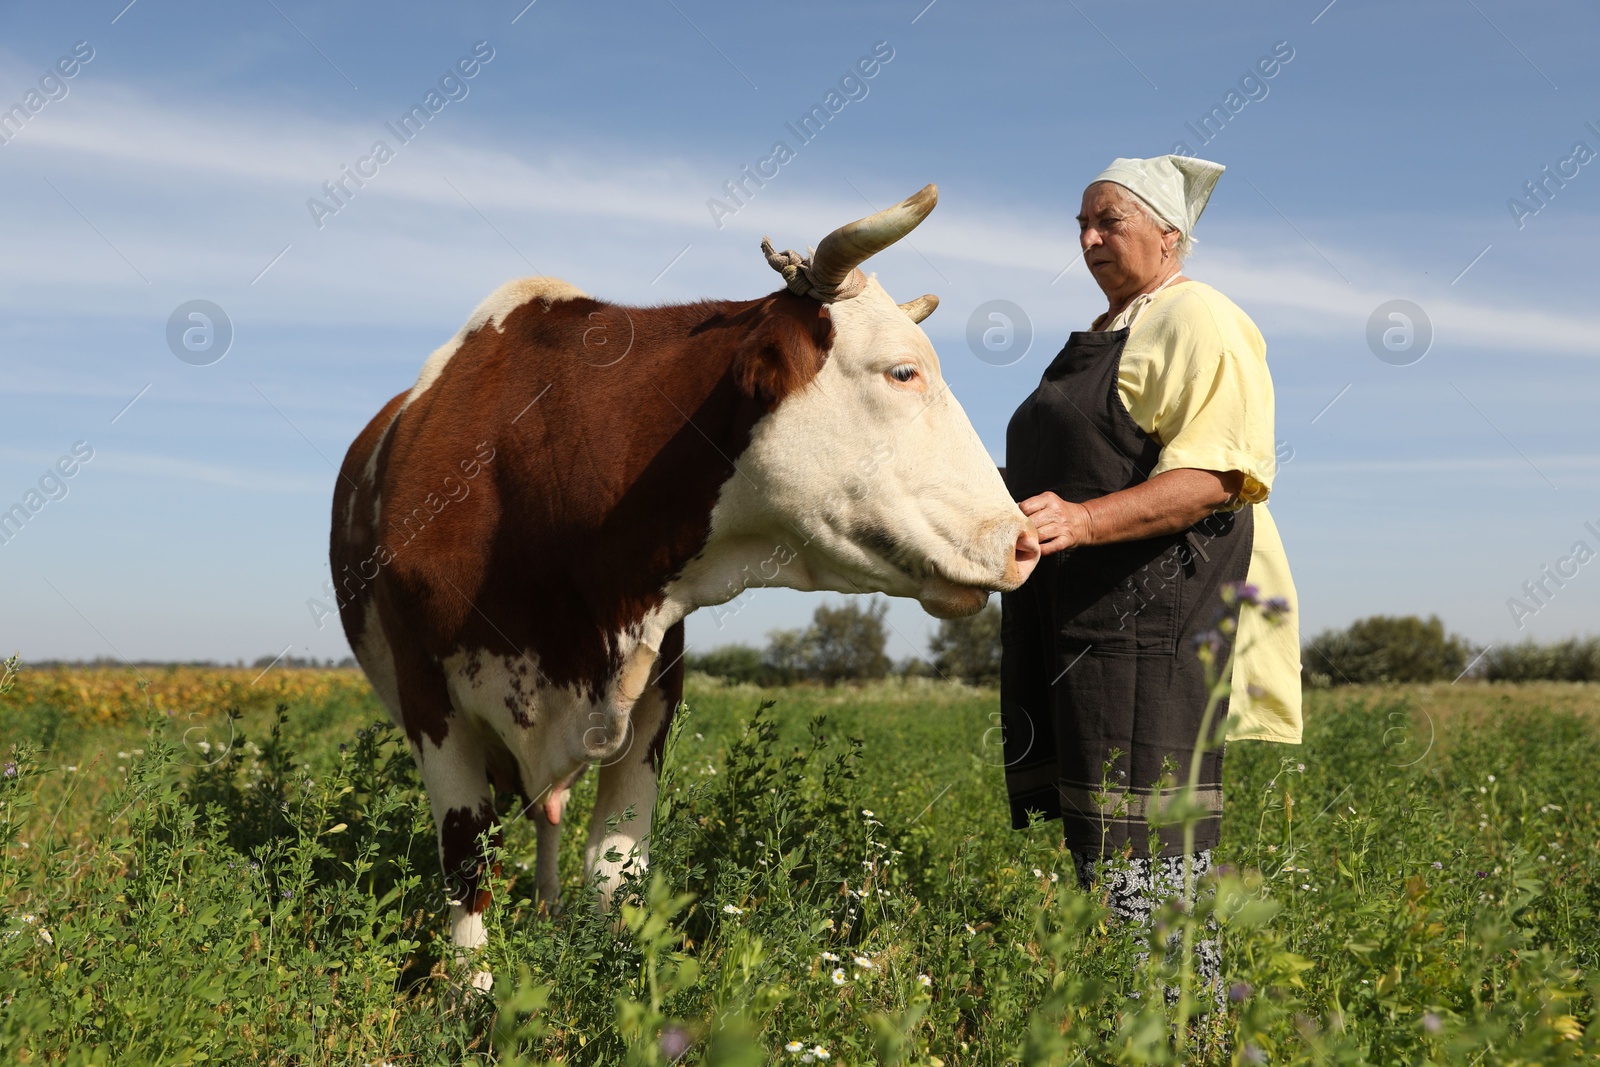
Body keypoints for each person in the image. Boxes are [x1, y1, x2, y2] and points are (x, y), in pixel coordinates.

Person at [1000, 154, 1301, 993]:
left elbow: (1215, 475)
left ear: (1170, 236)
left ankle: (1189, 1029)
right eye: (1082, 226)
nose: (1090, 239)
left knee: (1146, 861)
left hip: (1152, 622)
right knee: (1104, 854)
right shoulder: (1116, 327)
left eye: (1110, 223)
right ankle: (1141, 1027)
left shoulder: (1200, 317)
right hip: (1083, 623)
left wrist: (1084, 519)